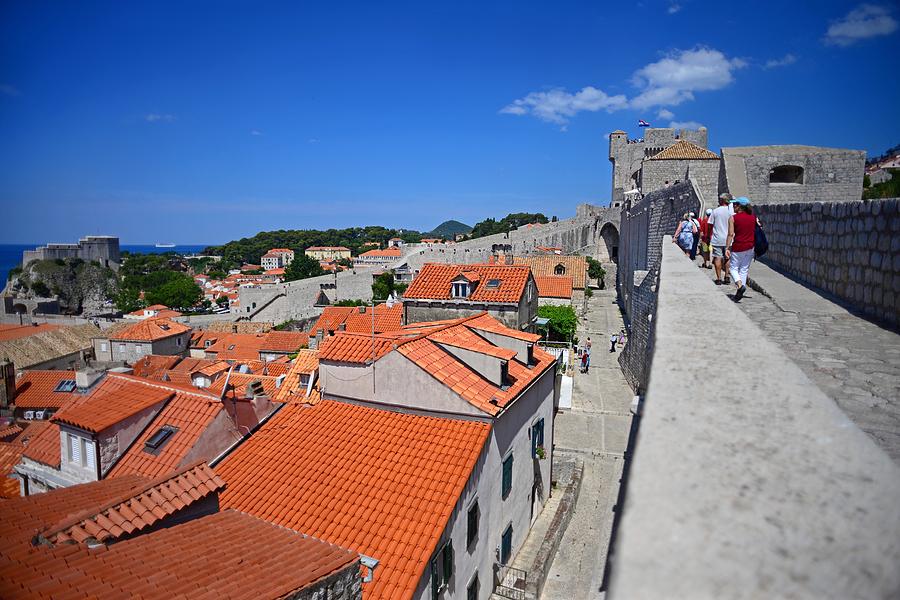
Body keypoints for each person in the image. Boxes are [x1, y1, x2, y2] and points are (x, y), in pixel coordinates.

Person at [726, 197, 757, 301]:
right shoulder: (753, 217)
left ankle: (739, 286)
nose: (733, 206)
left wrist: (727, 247)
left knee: (733, 268)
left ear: (740, 206)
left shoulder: (733, 218)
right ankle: (740, 292)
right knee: (743, 269)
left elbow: (731, 234)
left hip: (739, 246)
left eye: (735, 204)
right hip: (750, 246)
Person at [708, 194, 733, 284]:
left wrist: (709, 235)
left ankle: (719, 279)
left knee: (717, 258)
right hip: (729, 239)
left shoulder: (715, 211)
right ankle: (727, 276)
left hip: (717, 238)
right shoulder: (731, 212)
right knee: (727, 257)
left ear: (722, 200)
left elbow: (710, 225)